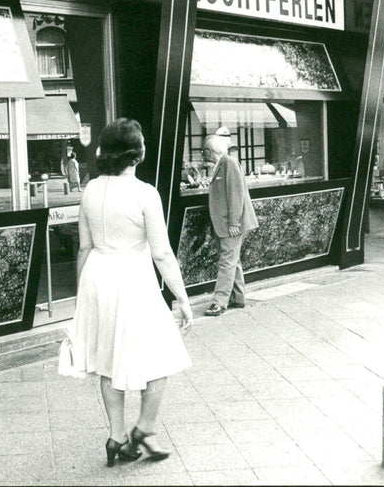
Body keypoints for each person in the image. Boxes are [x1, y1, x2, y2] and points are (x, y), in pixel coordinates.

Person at [69, 118, 193, 467]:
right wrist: (181, 297)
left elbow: (84, 247)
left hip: (97, 275)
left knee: (109, 359)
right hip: (132, 279)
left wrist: (82, 296)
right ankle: (146, 429)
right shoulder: (144, 193)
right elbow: (162, 253)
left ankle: (117, 435)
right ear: (137, 155)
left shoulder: (90, 189)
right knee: (161, 355)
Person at [202, 132, 258, 317]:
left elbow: (236, 195)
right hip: (226, 224)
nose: (203, 155)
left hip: (230, 224)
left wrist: (234, 222)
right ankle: (238, 297)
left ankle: (219, 302)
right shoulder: (224, 163)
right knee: (232, 260)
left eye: (204, 151)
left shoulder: (229, 163)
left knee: (226, 262)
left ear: (210, 151)